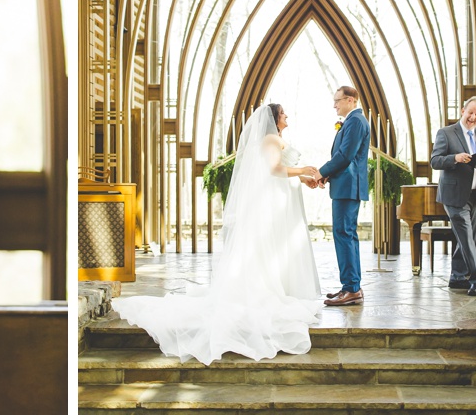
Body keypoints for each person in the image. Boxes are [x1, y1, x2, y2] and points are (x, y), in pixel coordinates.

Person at [110, 104, 322, 365]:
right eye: (284, 113)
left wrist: (302, 178)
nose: (288, 116)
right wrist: (303, 171)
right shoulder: (271, 138)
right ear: (275, 118)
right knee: (268, 251)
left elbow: (276, 172)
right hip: (273, 203)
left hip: (279, 200)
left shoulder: (273, 139)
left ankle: (279, 286)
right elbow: (273, 170)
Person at [430, 96, 476, 296]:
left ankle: (457, 276)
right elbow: (435, 161)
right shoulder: (446, 133)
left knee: (467, 238)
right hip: (454, 194)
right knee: (467, 237)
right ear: (463, 111)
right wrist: (455, 158)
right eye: (470, 112)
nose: (473, 117)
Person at [318, 85, 370, 306]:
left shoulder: (356, 121)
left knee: (343, 234)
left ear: (350, 100)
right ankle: (351, 286)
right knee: (347, 234)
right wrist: (328, 175)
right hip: (344, 184)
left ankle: (351, 289)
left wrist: (322, 172)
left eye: (337, 100)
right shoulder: (352, 121)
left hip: (348, 186)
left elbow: (345, 155)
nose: (334, 105)